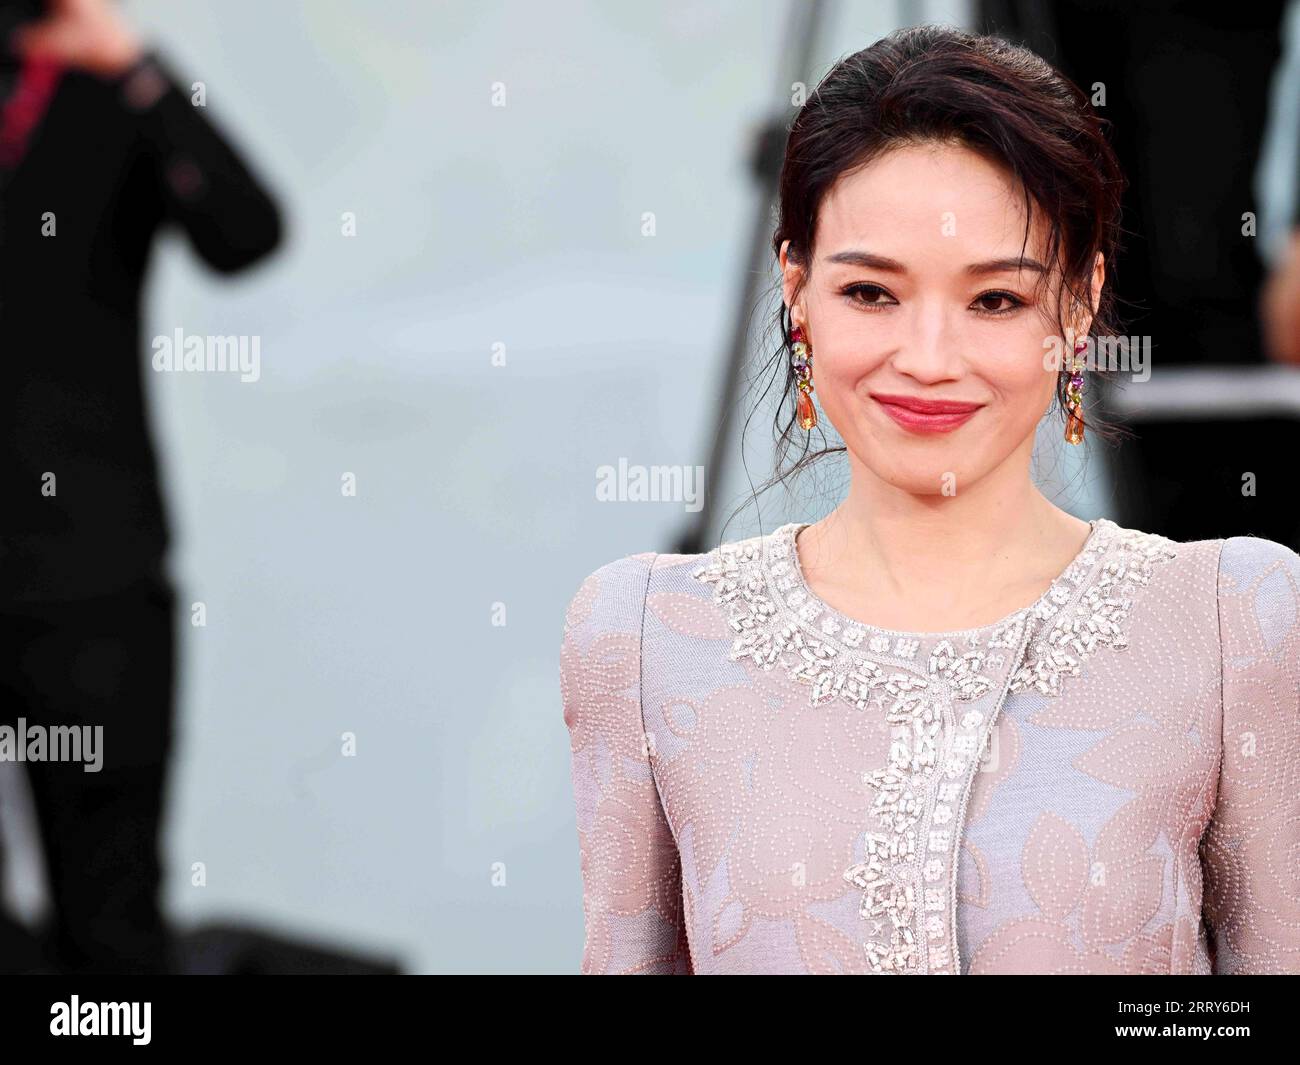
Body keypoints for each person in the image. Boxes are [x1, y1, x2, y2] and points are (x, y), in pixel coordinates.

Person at [559, 25, 1300, 974]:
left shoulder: (1229, 615)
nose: (930, 359)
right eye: (872, 293)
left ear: (1078, 305)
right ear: (797, 292)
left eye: (996, 300)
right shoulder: (646, 637)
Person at [0, 0, 282, 972]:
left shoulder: (107, 97)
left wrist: (135, 64)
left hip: (90, 569)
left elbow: (245, 231)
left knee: (110, 923)